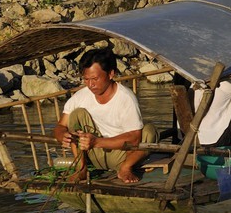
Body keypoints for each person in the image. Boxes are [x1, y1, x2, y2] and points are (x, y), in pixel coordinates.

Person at [54, 49, 157, 183]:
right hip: (93, 154)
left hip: (122, 155)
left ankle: (125, 168)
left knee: (150, 131)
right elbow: (60, 126)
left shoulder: (126, 98)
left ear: (111, 74)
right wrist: (63, 135)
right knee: (77, 114)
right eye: (86, 79)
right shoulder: (80, 96)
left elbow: (134, 139)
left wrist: (97, 141)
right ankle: (82, 168)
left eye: (95, 79)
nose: (91, 85)